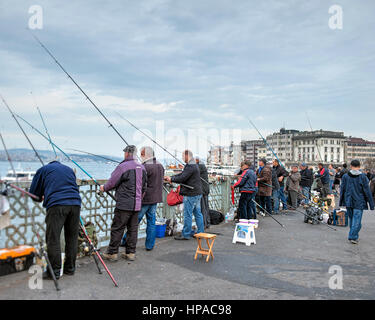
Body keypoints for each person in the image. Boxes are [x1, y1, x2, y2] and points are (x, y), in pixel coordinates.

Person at [29, 160, 82, 280]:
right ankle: (70, 269)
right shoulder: (69, 169)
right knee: (72, 237)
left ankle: (54, 272)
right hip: (75, 203)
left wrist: (42, 197)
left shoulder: (42, 170)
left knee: (53, 238)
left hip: (57, 204)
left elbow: (33, 194)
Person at [101, 145, 147, 261]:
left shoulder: (123, 167)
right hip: (137, 204)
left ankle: (112, 253)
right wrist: (139, 198)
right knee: (133, 229)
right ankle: (130, 253)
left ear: (126, 153)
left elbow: (112, 182)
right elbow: (144, 186)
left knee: (118, 228)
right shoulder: (142, 167)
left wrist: (103, 188)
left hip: (124, 204)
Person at [121, 146, 164, 251]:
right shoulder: (160, 165)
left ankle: (126, 240)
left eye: (141, 154)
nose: (140, 156)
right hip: (156, 198)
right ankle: (149, 245)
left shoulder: (145, 167)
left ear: (145, 155)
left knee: (135, 221)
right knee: (151, 222)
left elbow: (139, 183)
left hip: (145, 199)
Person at [164, 150, 204, 240]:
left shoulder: (190, 166)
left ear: (187, 156)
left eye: (183, 156)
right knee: (198, 214)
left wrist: (171, 178)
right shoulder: (193, 165)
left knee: (187, 214)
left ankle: (186, 234)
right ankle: (201, 232)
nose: (182, 158)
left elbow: (182, 177)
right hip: (197, 193)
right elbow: (183, 175)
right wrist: (172, 178)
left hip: (191, 193)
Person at [339, 160, 374, 244]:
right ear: (359, 166)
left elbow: (342, 190)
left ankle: (354, 234)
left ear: (351, 166)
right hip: (359, 201)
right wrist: (371, 204)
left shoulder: (345, 176)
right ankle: (353, 236)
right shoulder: (363, 177)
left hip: (348, 201)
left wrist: (341, 201)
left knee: (352, 219)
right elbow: (367, 191)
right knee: (357, 220)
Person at [196, 157, 210, 228]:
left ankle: (204, 224)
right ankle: (207, 222)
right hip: (205, 189)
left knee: (203, 208)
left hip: (202, 189)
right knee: (206, 207)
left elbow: (194, 172)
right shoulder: (202, 165)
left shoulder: (199, 166)